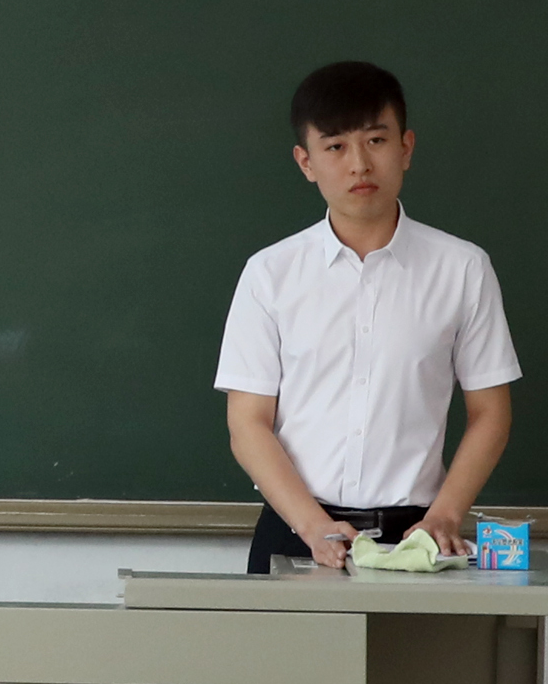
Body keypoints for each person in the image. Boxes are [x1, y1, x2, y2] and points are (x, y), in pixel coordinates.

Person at [214, 61, 521, 573]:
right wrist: (313, 526)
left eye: (376, 141)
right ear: (306, 161)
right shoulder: (270, 273)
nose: (359, 164)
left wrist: (445, 515)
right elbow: (248, 423)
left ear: (406, 148)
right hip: (296, 530)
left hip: (419, 536)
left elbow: (491, 412)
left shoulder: (463, 268)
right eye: (335, 146)